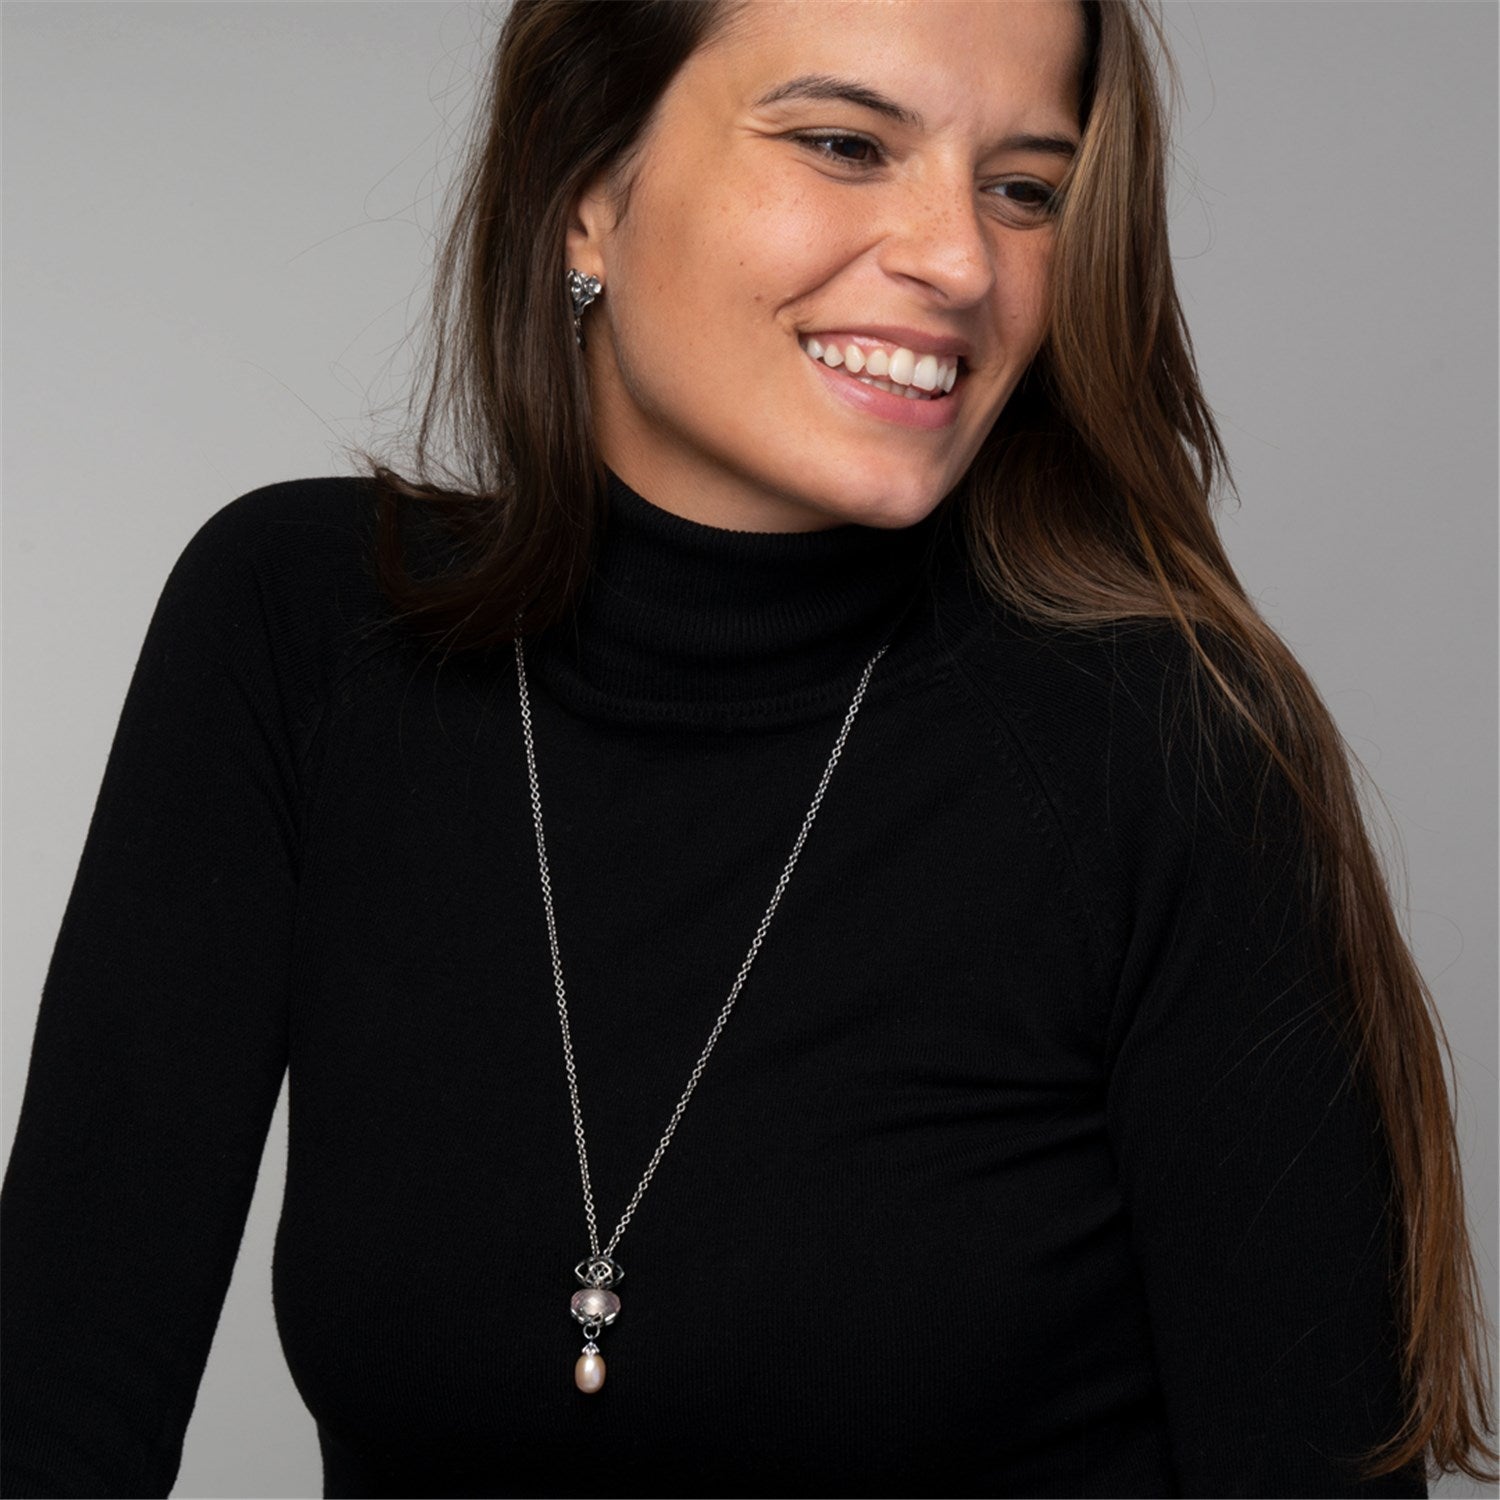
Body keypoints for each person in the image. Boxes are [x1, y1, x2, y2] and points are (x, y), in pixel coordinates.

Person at [2, 0, 1494, 1495]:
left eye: (1025, 188)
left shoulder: (1171, 752)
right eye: (846, 144)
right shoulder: (300, 632)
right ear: (586, 189)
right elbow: (56, 1408)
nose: (963, 260)